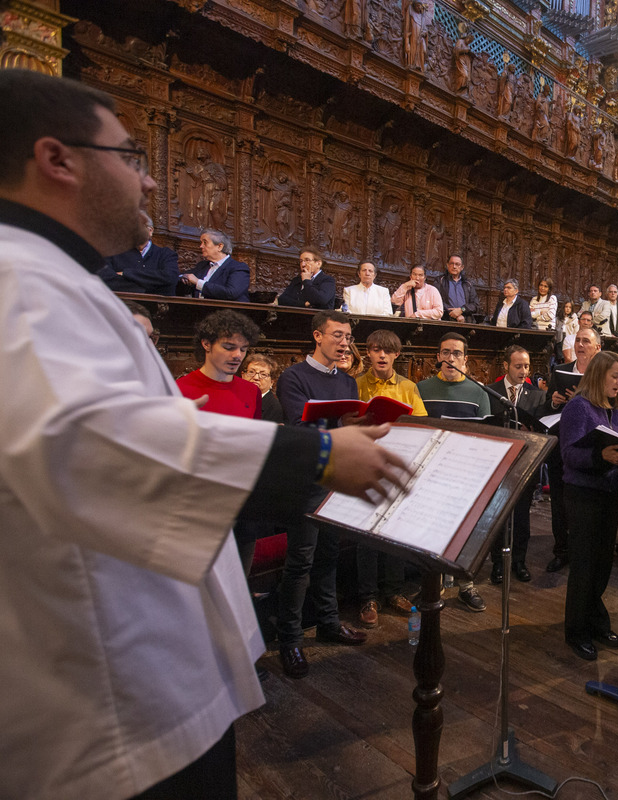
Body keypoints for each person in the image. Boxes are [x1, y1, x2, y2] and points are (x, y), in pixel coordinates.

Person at [0, 71, 405, 799]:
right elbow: (89, 442)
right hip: (107, 696)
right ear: (57, 160)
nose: (149, 184)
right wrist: (314, 454)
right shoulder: (19, 281)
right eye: (128, 156)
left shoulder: (49, 277)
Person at [275, 310, 375, 678]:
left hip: (338, 475)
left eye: (348, 336)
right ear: (317, 336)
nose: (344, 342)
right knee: (300, 561)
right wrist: (341, 426)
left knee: (330, 554)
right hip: (307, 478)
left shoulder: (347, 383)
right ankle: (290, 639)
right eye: (337, 335)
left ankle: (329, 623)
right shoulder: (294, 377)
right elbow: (300, 428)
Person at [176, 309, 265, 573]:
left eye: (243, 349)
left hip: (243, 501)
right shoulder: (181, 389)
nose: (237, 355)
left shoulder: (250, 390)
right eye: (228, 347)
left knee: (240, 582)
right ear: (206, 344)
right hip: (200, 503)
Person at [560, 351, 618, 660]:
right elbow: (569, 455)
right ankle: (576, 630)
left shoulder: (612, 410)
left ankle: (594, 619)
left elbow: (613, 451)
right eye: (615, 376)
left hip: (607, 494)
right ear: (599, 374)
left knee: (603, 562)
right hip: (582, 496)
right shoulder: (579, 407)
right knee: (584, 564)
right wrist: (600, 458)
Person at [354, 329, 428, 628]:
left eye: (387, 351)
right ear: (368, 353)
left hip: (396, 462)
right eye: (375, 350)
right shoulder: (357, 384)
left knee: (394, 530)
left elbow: (421, 422)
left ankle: (394, 590)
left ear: (397, 354)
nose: (381, 355)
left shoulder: (409, 387)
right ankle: (368, 596)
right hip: (365, 464)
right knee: (367, 534)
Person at [417, 332, 492, 611]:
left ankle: (465, 585)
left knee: (466, 530)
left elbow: (486, 434)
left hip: (464, 471)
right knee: (431, 528)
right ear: (437, 357)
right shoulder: (421, 388)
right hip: (430, 471)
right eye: (445, 353)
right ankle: (433, 585)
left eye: (456, 354)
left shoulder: (478, 392)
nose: (451, 358)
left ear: (466, 359)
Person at [543, 326, 602, 572]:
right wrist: (555, 401)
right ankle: (561, 550)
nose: (580, 345)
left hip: (588, 445)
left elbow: (609, 406)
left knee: (584, 504)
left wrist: (580, 400)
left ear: (597, 348)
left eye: (586, 341)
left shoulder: (602, 373)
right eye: (577, 340)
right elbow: (548, 405)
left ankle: (583, 552)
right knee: (559, 501)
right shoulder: (561, 371)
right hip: (562, 446)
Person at [487, 345, 545, 584]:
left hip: (525, 462)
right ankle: (498, 564)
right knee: (498, 515)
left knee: (521, 515)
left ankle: (519, 561)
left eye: (527, 366)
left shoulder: (537, 395)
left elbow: (542, 428)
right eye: (518, 366)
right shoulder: (491, 391)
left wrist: (532, 430)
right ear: (506, 366)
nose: (523, 371)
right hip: (498, 462)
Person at [98, 209, 177, 295]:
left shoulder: (165, 254)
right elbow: (105, 279)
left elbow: (170, 277)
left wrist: (127, 273)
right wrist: (148, 286)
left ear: (150, 231)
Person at [178, 228, 250, 302]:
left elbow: (231, 293)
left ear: (220, 246)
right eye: (201, 242)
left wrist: (197, 282)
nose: (201, 246)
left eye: (205, 242)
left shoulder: (238, 267)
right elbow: (183, 275)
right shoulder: (202, 266)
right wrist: (184, 277)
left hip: (227, 312)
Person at [430, 254, 480, 323]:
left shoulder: (468, 284)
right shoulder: (440, 281)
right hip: (446, 320)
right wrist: (455, 314)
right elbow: (436, 301)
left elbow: (475, 305)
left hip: (466, 321)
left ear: (462, 267)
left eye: (457, 264)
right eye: (451, 263)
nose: (454, 266)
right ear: (447, 265)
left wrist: (461, 310)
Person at [243, 353, 285, 424]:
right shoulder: (232, 398)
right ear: (243, 375)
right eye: (251, 372)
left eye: (263, 374)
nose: (256, 378)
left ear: (272, 382)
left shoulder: (274, 408)